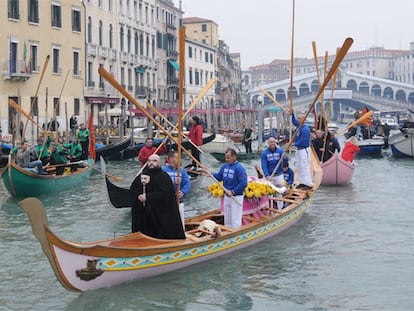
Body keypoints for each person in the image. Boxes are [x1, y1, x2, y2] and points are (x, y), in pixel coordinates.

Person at [129, 154, 185, 239]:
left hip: (159, 213)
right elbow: (133, 190)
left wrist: (148, 196)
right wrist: (139, 196)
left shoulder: (164, 177)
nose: (151, 163)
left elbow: (165, 194)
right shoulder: (141, 176)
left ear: (159, 163)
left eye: (154, 161)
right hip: (144, 213)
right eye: (149, 161)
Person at [208, 149, 247, 229]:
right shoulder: (224, 166)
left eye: (228, 158)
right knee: (227, 218)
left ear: (234, 157)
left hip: (236, 197)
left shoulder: (240, 168)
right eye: (226, 157)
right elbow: (219, 177)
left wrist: (233, 191)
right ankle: (227, 231)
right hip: (227, 196)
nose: (226, 160)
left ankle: (236, 233)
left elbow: (243, 183)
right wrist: (210, 173)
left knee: (235, 219)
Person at [162, 151, 190, 229]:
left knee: (180, 221)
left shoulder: (182, 171)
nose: (179, 160)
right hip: (167, 201)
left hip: (179, 200)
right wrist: (173, 182)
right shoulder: (163, 170)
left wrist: (183, 192)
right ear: (171, 159)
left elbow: (187, 183)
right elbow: (160, 184)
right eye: (177, 158)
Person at [260, 137, 288, 210]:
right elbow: (264, 165)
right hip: (270, 176)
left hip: (279, 175)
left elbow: (287, 160)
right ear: (268, 143)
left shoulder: (280, 151)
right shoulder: (264, 153)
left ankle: (280, 208)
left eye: (273, 142)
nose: (272, 143)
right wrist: (267, 175)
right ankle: (269, 209)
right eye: (271, 142)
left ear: (275, 143)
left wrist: (285, 157)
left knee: (279, 192)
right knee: (269, 193)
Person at [291, 112, 313, 190]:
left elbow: (304, 140)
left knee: (304, 166)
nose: (298, 120)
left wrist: (294, 143)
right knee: (299, 166)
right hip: (299, 149)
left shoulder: (305, 129)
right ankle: (302, 182)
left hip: (304, 150)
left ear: (304, 119)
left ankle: (308, 183)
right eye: (298, 118)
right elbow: (294, 122)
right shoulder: (298, 126)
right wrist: (292, 114)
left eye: (300, 118)